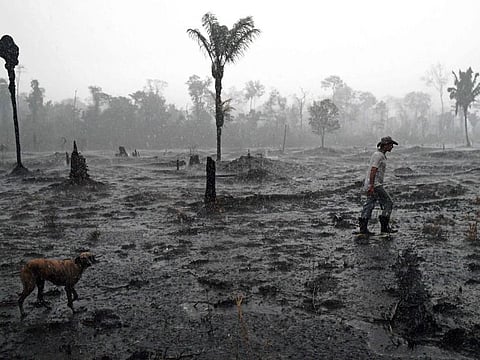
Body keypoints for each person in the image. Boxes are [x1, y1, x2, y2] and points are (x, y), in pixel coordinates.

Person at [359, 136, 398, 235]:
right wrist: (372, 185)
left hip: (373, 183)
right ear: (385, 145)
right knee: (389, 202)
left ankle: (363, 228)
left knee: (370, 204)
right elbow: (373, 170)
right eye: (391, 145)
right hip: (375, 184)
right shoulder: (378, 155)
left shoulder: (380, 155)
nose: (392, 147)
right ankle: (384, 226)